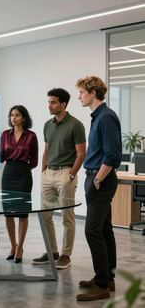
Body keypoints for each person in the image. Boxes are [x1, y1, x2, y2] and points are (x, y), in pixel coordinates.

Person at [75, 76, 122, 301]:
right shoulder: (98, 117)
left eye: (82, 92)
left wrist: (97, 180)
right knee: (104, 230)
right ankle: (107, 278)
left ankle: (102, 285)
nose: (79, 96)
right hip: (96, 178)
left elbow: (113, 154)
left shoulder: (105, 117)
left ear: (93, 93)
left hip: (100, 180)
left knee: (92, 230)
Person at [32, 88, 86, 269]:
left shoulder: (75, 125)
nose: (49, 105)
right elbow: (46, 151)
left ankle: (66, 255)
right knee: (44, 216)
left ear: (63, 104)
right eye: (49, 102)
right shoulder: (48, 124)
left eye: (53, 102)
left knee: (67, 218)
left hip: (65, 173)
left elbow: (81, 153)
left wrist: (71, 174)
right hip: (49, 174)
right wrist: (43, 172)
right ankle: (52, 251)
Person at [0, 105, 38, 263]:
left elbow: (35, 161)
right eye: (12, 115)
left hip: (24, 175)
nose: (13, 118)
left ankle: (20, 247)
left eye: (17, 115)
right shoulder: (5, 134)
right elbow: (0, 159)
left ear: (24, 117)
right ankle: (13, 245)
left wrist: (23, 169)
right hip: (8, 173)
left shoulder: (31, 136)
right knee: (8, 212)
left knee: (23, 212)